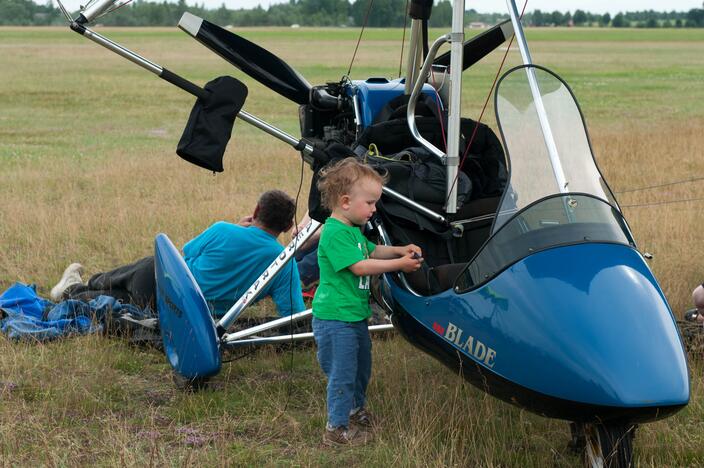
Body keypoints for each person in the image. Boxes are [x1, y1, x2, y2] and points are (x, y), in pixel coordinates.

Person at [50, 190, 306, 318]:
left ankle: (78, 288)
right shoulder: (283, 263)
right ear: (286, 227)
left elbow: (185, 253)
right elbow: (291, 313)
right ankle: (73, 295)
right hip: (183, 313)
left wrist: (234, 227)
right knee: (120, 301)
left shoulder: (224, 230)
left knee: (140, 272)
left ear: (256, 209)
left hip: (165, 282)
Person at [312, 157, 423, 446]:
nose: (375, 210)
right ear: (346, 201)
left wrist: (400, 249)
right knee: (343, 372)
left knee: (361, 367)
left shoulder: (352, 230)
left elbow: (372, 251)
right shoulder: (335, 233)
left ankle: (355, 409)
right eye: (371, 203)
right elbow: (360, 267)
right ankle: (335, 429)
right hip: (336, 319)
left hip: (354, 315)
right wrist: (399, 264)